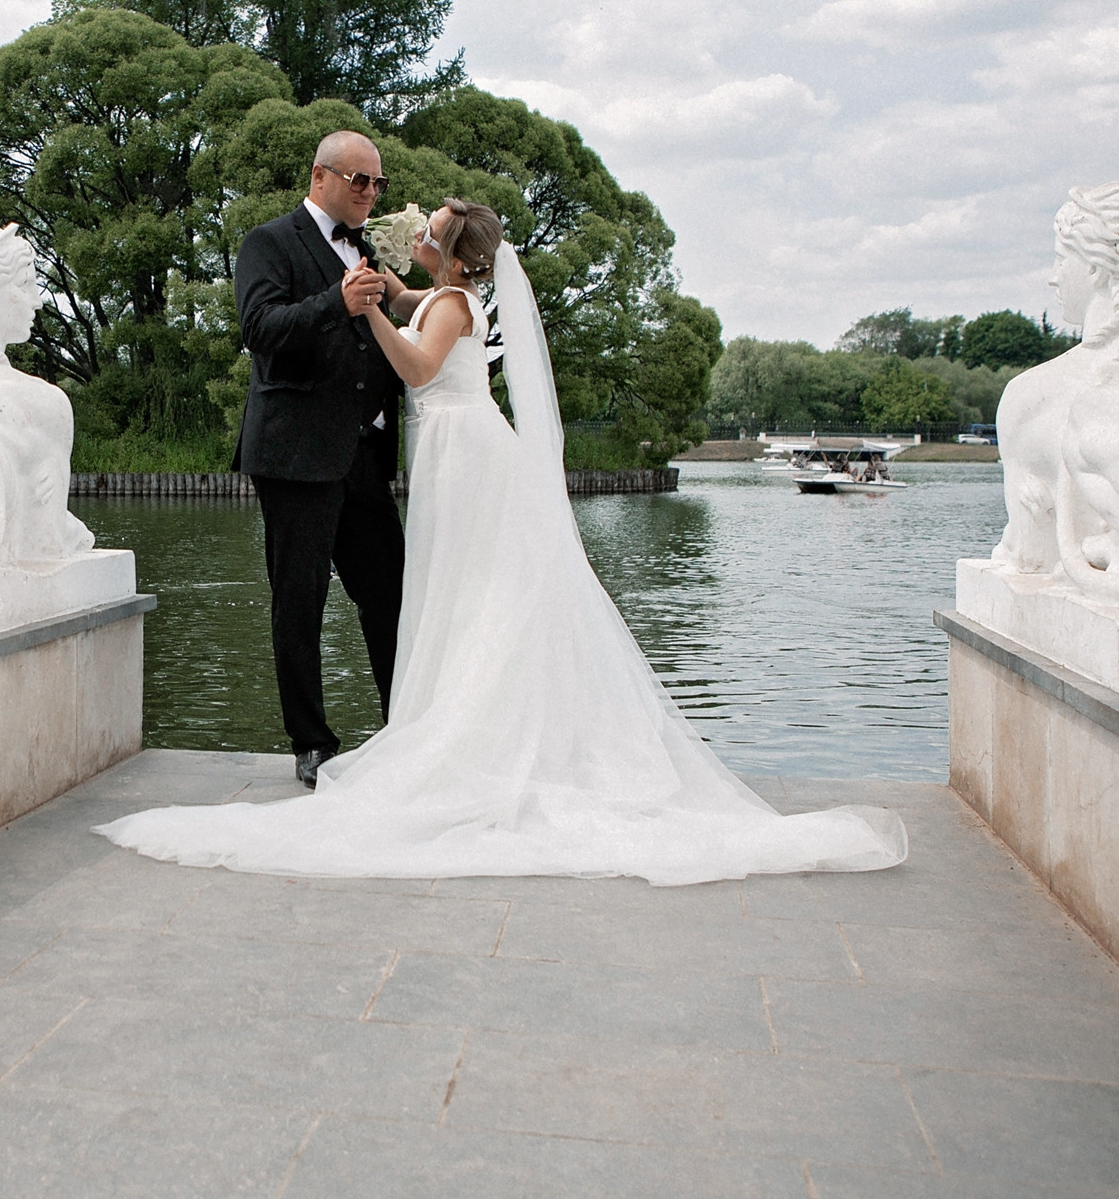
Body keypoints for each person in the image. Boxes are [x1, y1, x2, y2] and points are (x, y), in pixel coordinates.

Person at [98, 198, 909, 884]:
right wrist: (386, 290)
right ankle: (444, 725)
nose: (414, 230)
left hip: (465, 452)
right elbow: (414, 306)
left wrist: (368, 307)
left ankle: (462, 734)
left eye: (427, 229)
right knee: (467, 589)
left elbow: (418, 370)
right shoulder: (446, 295)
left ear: (451, 252)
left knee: (474, 588)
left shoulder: (450, 305)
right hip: (454, 450)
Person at [229, 131, 413, 787]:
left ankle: (406, 732)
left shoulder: (368, 249)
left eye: (377, 183)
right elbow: (260, 330)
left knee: (392, 598)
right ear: (319, 177)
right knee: (299, 603)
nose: (370, 192)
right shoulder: (269, 242)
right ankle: (310, 742)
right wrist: (336, 302)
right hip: (296, 454)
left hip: (366, 455)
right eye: (359, 179)